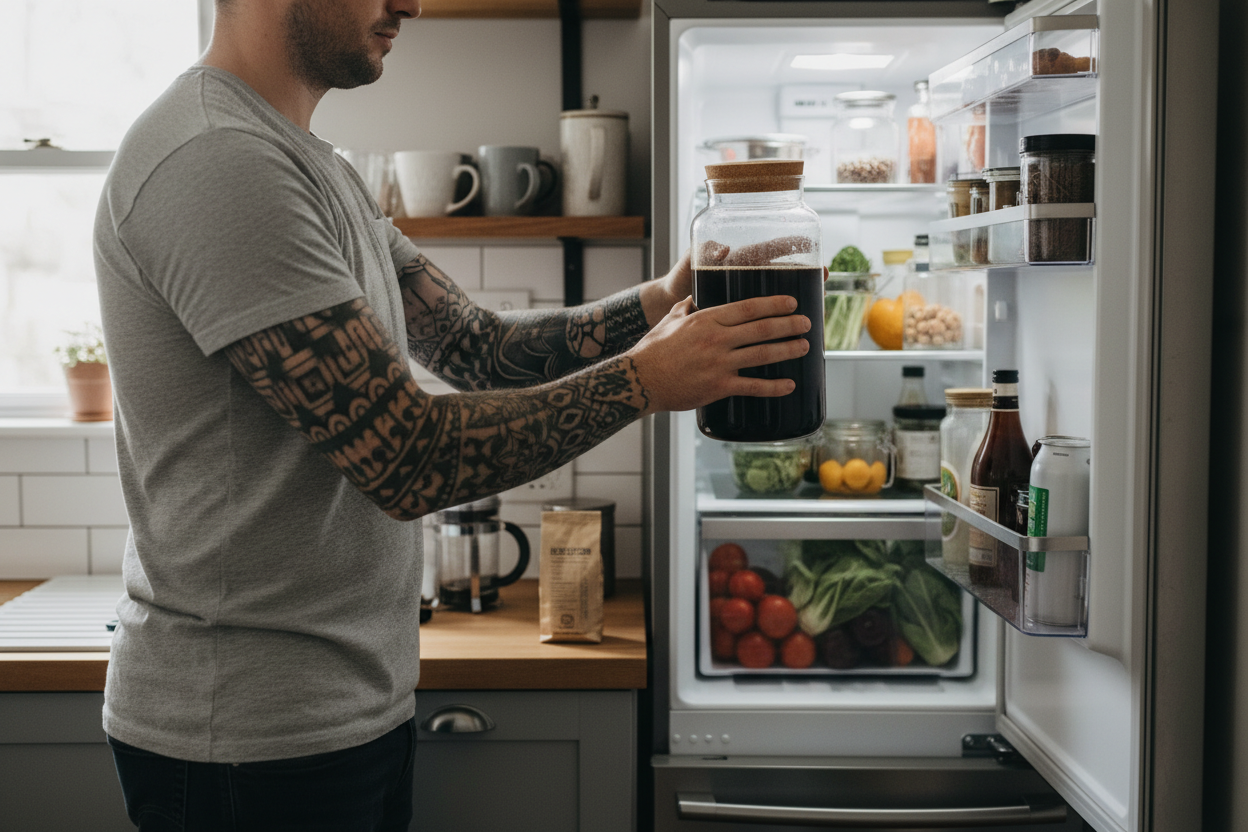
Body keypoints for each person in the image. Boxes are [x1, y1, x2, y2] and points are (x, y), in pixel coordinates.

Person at [92, 0, 812, 829]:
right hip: (245, 735)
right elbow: (407, 458)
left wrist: (664, 299)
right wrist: (645, 381)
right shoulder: (217, 160)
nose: (413, 2)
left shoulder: (304, 160)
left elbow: (480, 347)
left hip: (336, 708)